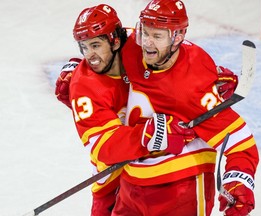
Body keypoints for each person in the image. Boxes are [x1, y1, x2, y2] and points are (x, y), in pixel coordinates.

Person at [55, 2, 243, 216]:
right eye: (84, 47)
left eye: (96, 45)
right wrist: (148, 135)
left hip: (169, 169)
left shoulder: (140, 43)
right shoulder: (84, 85)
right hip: (114, 170)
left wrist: (209, 77)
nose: (90, 55)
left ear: (115, 40)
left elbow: (178, 52)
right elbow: (103, 147)